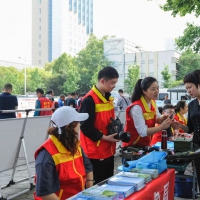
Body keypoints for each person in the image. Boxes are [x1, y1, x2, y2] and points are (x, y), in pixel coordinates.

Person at [34, 106, 93, 200]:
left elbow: (88, 166)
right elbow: (45, 193)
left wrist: (90, 191)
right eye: (78, 122)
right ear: (70, 127)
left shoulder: (74, 145)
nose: (80, 125)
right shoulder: (46, 156)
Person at [79, 66, 120, 184]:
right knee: (98, 186)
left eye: (115, 83)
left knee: (107, 184)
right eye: (112, 83)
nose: (114, 86)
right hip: (95, 152)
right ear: (102, 81)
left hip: (109, 149)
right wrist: (105, 137)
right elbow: (85, 127)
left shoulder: (108, 98)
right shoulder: (89, 100)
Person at [122, 77, 172, 148]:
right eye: (153, 89)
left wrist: (163, 118)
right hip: (132, 147)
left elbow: (157, 117)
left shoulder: (152, 102)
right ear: (144, 91)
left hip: (145, 145)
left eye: (157, 88)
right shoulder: (137, 107)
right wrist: (162, 127)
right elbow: (142, 132)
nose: (156, 91)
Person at [171, 70, 200, 190]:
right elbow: (190, 129)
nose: (188, 90)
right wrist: (180, 126)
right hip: (197, 146)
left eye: (190, 87)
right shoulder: (192, 104)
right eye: (186, 88)